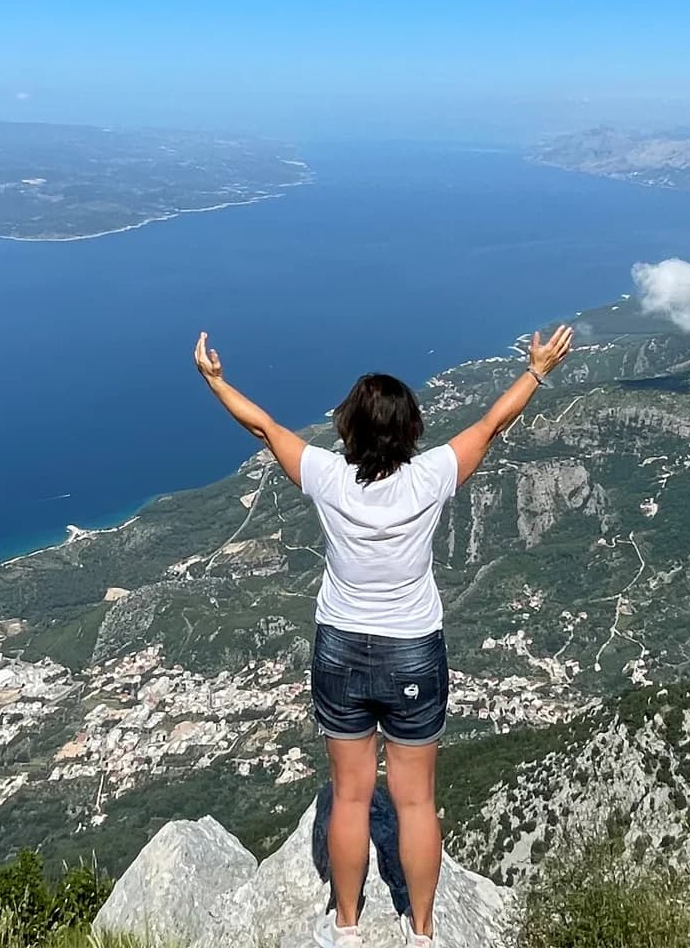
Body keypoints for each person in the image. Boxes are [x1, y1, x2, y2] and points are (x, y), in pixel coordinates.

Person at [193, 322, 575, 948]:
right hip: (412, 652)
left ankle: (345, 928)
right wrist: (536, 371)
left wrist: (215, 380)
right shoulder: (429, 478)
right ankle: (421, 933)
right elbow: (492, 424)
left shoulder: (326, 476)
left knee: (349, 798)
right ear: (410, 432)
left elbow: (262, 427)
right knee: (416, 803)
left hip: (341, 647)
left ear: (348, 429)